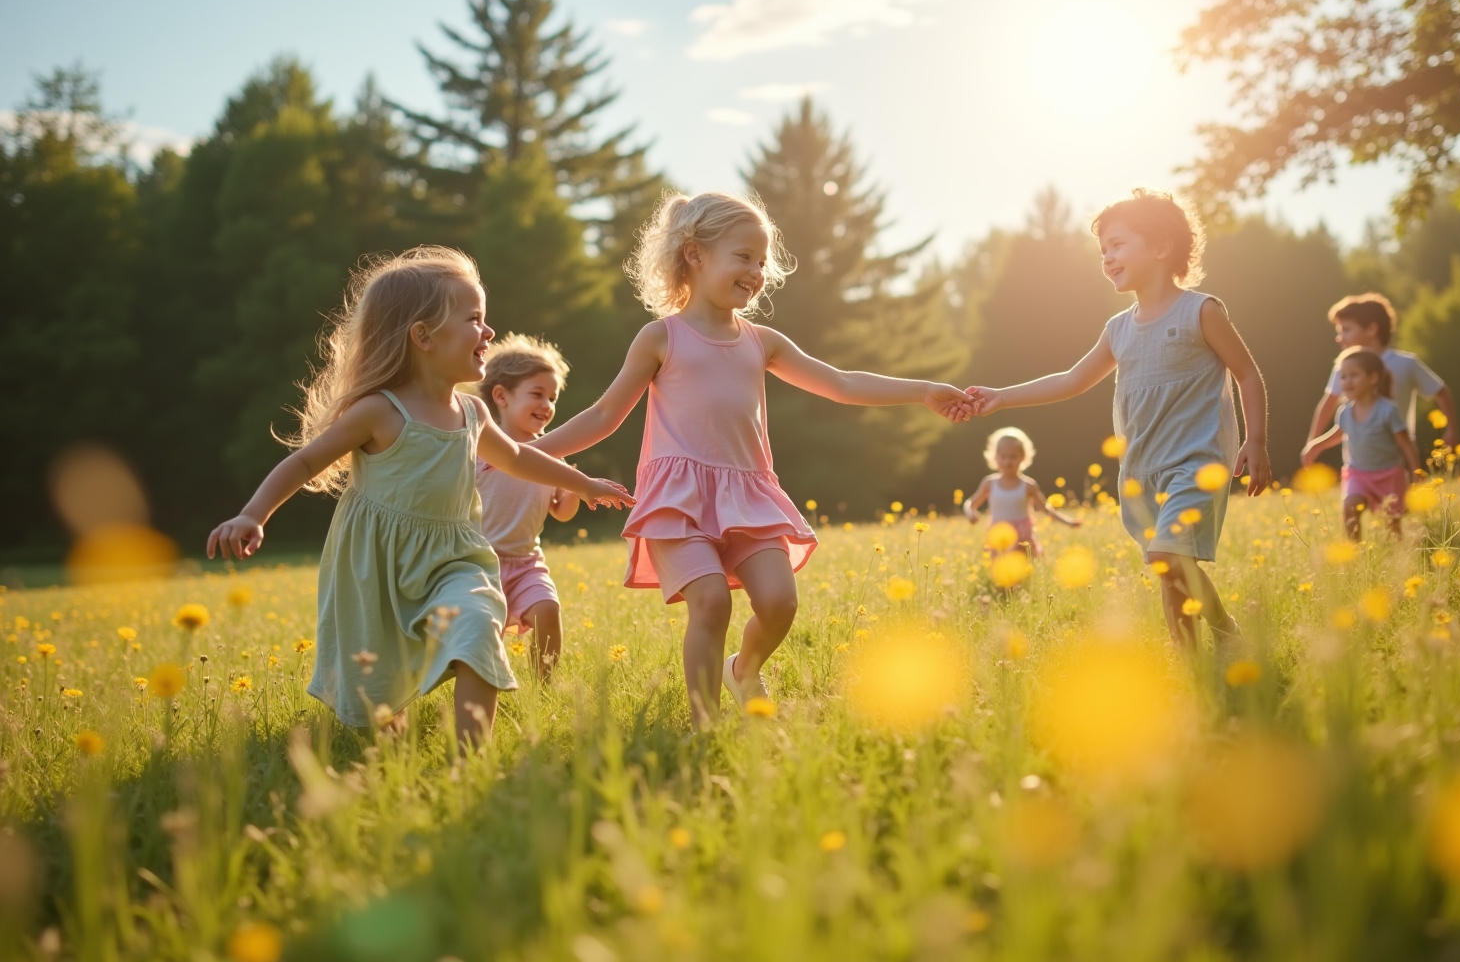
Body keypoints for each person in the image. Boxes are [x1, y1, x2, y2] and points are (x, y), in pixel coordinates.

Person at [532, 191, 973, 725]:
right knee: (712, 603)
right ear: (694, 254)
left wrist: (922, 389)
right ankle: (704, 724)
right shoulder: (660, 338)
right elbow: (603, 416)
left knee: (780, 603)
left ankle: (744, 667)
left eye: (762, 261)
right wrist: (521, 452)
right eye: (743, 256)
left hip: (748, 495)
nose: (757, 271)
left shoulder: (762, 342)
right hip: (679, 498)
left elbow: (840, 383)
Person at [205, 248, 632, 750]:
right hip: (378, 562)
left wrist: (585, 484)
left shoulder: (472, 412)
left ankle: (471, 756)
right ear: (424, 336)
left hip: (456, 556)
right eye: (474, 319)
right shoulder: (378, 412)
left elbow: (518, 456)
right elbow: (304, 462)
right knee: (379, 688)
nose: (489, 333)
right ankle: (392, 743)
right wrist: (253, 513)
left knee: (477, 626)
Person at [965, 189, 1271, 652]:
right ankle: (1191, 666)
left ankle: (1227, 632)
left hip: (1197, 460)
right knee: (1168, 571)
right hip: (1143, 469)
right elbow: (1071, 380)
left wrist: (1257, 440)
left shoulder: (1201, 311)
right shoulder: (1118, 329)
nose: (1107, 257)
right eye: (1103, 249)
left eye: (1118, 244)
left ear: (1162, 247)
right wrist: (1001, 398)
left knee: (1169, 557)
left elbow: (1247, 373)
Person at [476, 334, 580, 679]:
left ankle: (543, 686)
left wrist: (575, 487)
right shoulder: (479, 448)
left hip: (525, 563)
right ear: (502, 396)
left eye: (552, 397)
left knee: (548, 609)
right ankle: (486, 682)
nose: (547, 404)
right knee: (476, 632)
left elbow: (561, 512)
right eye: (537, 394)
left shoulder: (552, 453)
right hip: (475, 561)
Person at [1307, 292, 1458, 449]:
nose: (1339, 337)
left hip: (1399, 455)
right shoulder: (1344, 366)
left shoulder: (1406, 364)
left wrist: (1451, 430)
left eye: (1346, 329)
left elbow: (1440, 392)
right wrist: (1312, 443)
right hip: (1359, 463)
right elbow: (1329, 403)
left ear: (1372, 329)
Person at [1301, 348, 1421, 539]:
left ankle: (1400, 556)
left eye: (1354, 375)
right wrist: (1316, 445)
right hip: (1358, 473)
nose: (1347, 381)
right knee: (1349, 508)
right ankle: (1354, 552)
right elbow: (1338, 433)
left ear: (1373, 378)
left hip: (1389, 475)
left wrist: (1417, 474)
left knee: (1392, 524)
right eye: (1343, 376)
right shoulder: (1345, 412)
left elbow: (1406, 444)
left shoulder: (1387, 410)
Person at [962, 426, 1080, 556]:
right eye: (1003, 456)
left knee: (1023, 570)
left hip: (1023, 536)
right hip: (998, 535)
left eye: (1013, 457)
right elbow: (970, 503)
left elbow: (1046, 510)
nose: (1007, 461)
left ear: (1023, 457)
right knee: (1000, 572)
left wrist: (1069, 522)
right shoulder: (989, 483)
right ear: (995, 457)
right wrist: (970, 513)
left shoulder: (1028, 485)